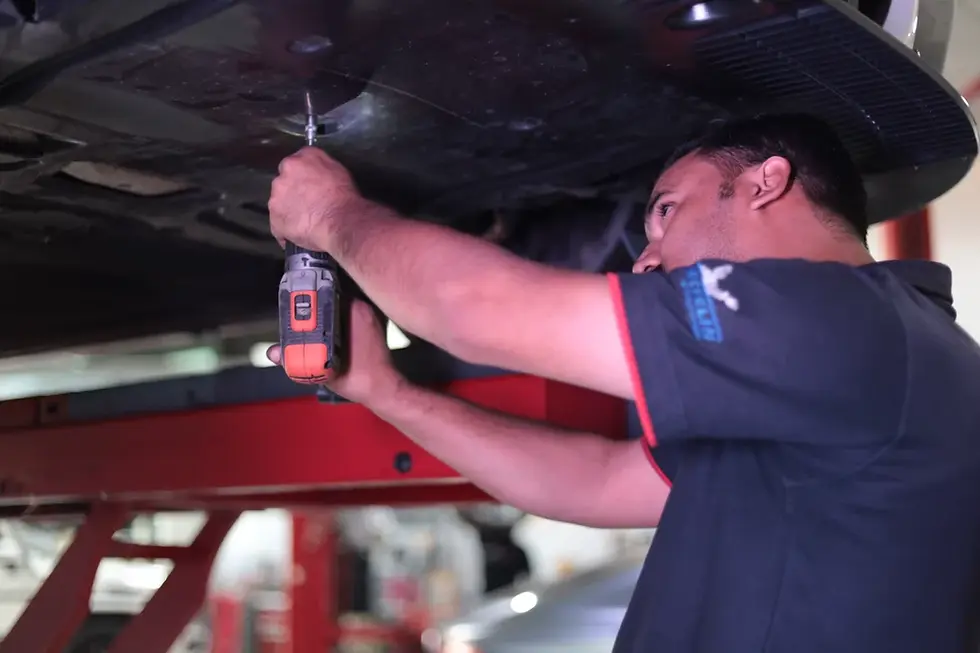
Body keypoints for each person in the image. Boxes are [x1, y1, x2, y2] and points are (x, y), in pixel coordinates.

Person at [266, 113, 980, 653]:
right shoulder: (874, 359)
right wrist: (389, 392)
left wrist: (331, 216)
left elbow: (473, 309)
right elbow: (598, 480)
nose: (647, 259)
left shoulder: (846, 320)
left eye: (667, 210)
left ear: (766, 181)